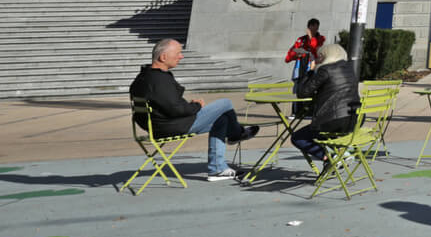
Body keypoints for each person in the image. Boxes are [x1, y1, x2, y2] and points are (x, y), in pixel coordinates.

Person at [129, 39, 259, 182]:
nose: (181, 56)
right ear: (163, 57)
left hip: (159, 126)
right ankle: (236, 134)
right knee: (225, 103)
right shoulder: (158, 80)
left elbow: (166, 105)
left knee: (222, 120)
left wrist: (188, 105)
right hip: (173, 125)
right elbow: (175, 109)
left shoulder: (143, 77)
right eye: (178, 53)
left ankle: (217, 169)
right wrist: (197, 106)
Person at [290, 43, 359, 161]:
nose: (318, 59)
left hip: (332, 123)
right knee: (326, 138)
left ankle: (329, 157)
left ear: (326, 56)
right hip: (352, 121)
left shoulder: (325, 70)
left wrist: (310, 70)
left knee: (297, 137)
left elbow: (303, 93)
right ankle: (338, 156)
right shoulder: (349, 68)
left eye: (319, 56)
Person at [285, 19, 325, 104]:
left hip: (312, 68)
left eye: (316, 28)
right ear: (308, 27)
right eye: (312, 28)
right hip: (300, 68)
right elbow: (288, 57)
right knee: (298, 89)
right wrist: (296, 55)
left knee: (311, 88)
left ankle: (308, 111)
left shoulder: (320, 38)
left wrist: (311, 36)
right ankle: (296, 112)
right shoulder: (301, 40)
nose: (314, 30)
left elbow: (315, 48)